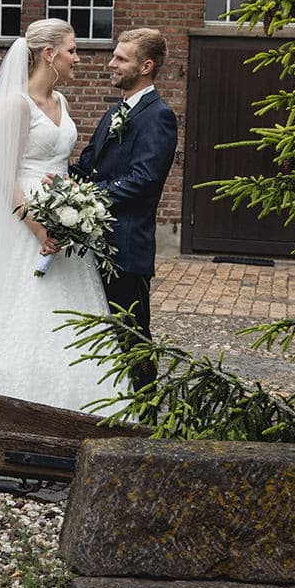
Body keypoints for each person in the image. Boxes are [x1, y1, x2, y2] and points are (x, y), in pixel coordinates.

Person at [0, 18, 123, 412]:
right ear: (49, 55)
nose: (77, 59)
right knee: (17, 311)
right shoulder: (16, 105)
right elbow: (2, 175)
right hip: (25, 223)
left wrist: (74, 204)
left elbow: (62, 162)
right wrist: (36, 226)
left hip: (64, 217)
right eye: (72, 50)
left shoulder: (61, 102)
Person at [69, 28, 179, 385]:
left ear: (146, 66)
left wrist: (87, 198)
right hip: (96, 245)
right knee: (102, 334)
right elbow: (86, 166)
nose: (111, 64)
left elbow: (143, 179)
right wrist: (53, 182)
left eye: (121, 58)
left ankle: (146, 410)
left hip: (126, 247)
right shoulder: (114, 112)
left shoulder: (158, 116)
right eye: (114, 56)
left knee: (133, 336)